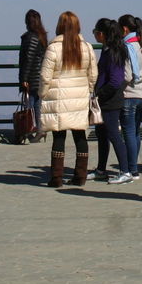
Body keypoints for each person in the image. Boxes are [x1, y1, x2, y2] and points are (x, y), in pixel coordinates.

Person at [39, 11, 98, 187]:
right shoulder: (86, 47)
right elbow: (93, 74)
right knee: (80, 136)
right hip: (79, 98)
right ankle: (80, 175)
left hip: (57, 98)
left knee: (59, 137)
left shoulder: (54, 48)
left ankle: (56, 177)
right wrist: (87, 89)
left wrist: (43, 94)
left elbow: (45, 76)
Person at [88, 18, 132, 184]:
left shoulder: (112, 52)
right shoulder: (109, 50)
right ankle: (101, 169)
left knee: (114, 135)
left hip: (110, 101)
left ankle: (125, 170)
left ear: (102, 34)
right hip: (107, 100)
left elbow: (115, 80)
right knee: (102, 135)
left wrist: (100, 95)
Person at [118, 14, 142, 179]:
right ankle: (134, 166)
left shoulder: (126, 46)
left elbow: (126, 75)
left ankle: (131, 169)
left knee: (128, 132)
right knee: (135, 132)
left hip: (128, 93)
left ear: (124, 28)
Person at [19, 9, 48, 142]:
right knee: (36, 104)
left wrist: (24, 78)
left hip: (31, 78)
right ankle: (40, 130)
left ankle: (26, 130)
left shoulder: (30, 37)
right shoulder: (41, 36)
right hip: (39, 77)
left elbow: (28, 59)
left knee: (28, 105)